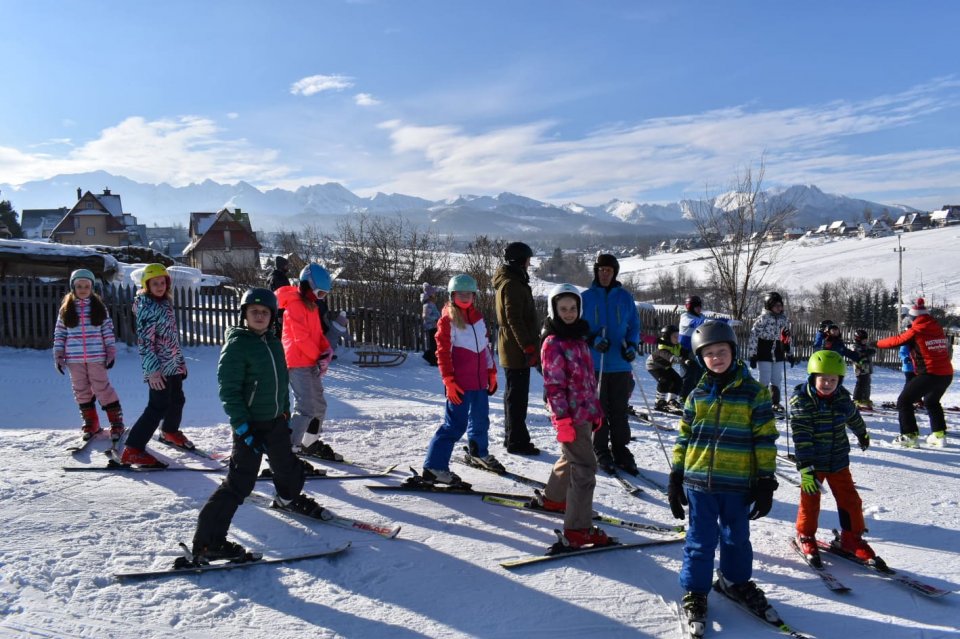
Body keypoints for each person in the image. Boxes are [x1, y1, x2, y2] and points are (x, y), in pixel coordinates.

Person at [191, 288, 326, 563]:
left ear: (272, 316)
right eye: (254, 312)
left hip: (276, 421)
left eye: (265, 312)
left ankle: (288, 499)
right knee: (239, 483)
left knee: (289, 469)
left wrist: (286, 412)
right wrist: (242, 428)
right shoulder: (238, 345)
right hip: (250, 426)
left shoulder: (274, 342)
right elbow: (229, 391)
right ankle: (208, 543)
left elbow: (281, 384)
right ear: (245, 315)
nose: (260, 316)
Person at [669, 320, 779, 627]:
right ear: (700, 358)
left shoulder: (754, 394)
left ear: (734, 351)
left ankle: (735, 581)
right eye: (709, 353)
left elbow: (765, 439)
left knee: (737, 539)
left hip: (737, 484)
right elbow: (683, 438)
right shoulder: (696, 396)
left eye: (722, 351)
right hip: (699, 484)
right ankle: (695, 590)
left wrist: (765, 481)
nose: (716, 358)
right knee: (700, 541)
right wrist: (676, 476)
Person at [536, 283, 610, 548]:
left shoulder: (579, 338)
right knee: (585, 466)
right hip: (569, 414)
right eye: (563, 308)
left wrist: (595, 410)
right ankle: (578, 530)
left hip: (584, 412)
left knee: (572, 456)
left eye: (573, 308)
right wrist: (562, 420)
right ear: (554, 310)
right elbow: (554, 387)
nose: (568, 313)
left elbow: (588, 380)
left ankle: (554, 498)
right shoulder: (553, 343)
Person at [790, 350, 875, 567]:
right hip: (814, 464)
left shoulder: (842, 398)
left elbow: (853, 417)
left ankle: (851, 538)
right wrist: (806, 468)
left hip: (838, 461)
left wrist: (862, 433)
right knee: (810, 502)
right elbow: (802, 436)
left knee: (851, 500)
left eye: (833, 380)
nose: (828, 384)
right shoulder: (802, 400)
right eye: (823, 379)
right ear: (812, 377)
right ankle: (805, 535)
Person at [422, 274, 501, 483]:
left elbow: (485, 348)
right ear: (452, 295)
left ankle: (478, 453)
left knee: (480, 420)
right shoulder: (448, 319)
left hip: (479, 383)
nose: (465, 297)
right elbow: (443, 353)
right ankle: (434, 467)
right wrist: (448, 381)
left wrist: (491, 373)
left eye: (468, 294)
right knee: (455, 425)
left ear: (474, 296)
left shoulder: (478, 317)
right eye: (460, 294)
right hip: (459, 384)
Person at [120, 264, 190, 466]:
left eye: (162, 282)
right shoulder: (147, 307)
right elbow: (145, 343)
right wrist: (152, 372)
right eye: (155, 283)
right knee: (157, 406)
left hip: (172, 363)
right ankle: (133, 448)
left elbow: (171, 338)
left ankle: (169, 431)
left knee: (177, 399)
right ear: (146, 285)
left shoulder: (164, 303)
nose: (159, 286)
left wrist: (180, 362)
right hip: (158, 368)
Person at [581, 253, 641, 475]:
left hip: (620, 364)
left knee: (619, 411)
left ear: (614, 273)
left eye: (608, 270)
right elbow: (579, 327)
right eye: (601, 270)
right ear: (596, 272)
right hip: (596, 364)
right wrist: (593, 340)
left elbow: (634, 325)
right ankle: (600, 449)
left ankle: (620, 449)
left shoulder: (625, 297)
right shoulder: (586, 297)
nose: (604, 274)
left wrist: (632, 346)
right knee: (600, 411)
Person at [276, 263, 340, 460]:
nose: (322, 298)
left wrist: (326, 349)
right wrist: (318, 356)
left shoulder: (310, 306)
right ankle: (287, 450)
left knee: (319, 406)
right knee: (306, 408)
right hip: (297, 363)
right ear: (308, 285)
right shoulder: (294, 305)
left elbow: (317, 334)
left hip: (310, 362)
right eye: (320, 293)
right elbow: (300, 338)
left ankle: (309, 443)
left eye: (324, 295)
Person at [53, 269, 125, 441]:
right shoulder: (66, 309)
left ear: (92, 288)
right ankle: (91, 422)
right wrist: (58, 354)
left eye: (87, 286)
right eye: (79, 286)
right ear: (73, 287)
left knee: (102, 388)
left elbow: (107, 331)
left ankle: (116, 423)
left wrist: (111, 351)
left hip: (96, 357)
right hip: (74, 359)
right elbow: (60, 333)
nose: (83, 289)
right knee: (81, 390)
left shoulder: (99, 308)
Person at [874, 298, 954, 448]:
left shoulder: (917, 329)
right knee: (931, 401)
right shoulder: (936, 327)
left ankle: (909, 435)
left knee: (904, 401)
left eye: (910, 318)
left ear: (914, 317)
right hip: (946, 374)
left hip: (930, 373)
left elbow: (896, 341)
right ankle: (939, 435)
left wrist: (876, 343)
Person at [493, 241, 541, 455]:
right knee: (517, 397)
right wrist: (528, 347)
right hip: (515, 348)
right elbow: (514, 319)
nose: (529, 264)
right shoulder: (512, 284)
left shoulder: (511, 280)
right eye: (528, 260)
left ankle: (512, 437)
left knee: (514, 395)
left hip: (513, 346)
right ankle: (517, 441)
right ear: (521, 260)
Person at [746, 291, 793, 412]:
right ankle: (761, 402)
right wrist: (753, 355)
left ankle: (775, 402)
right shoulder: (763, 318)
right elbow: (754, 335)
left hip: (778, 352)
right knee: (764, 378)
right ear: (769, 306)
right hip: (764, 352)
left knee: (777, 379)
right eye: (776, 305)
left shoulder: (784, 319)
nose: (779, 308)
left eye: (780, 305)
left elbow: (787, 337)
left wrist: (789, 353)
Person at [645, 324, 693, 411]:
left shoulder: (677, 345)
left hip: (665, 367)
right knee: (665, 380)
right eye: (675, 336)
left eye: (678, 336)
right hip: (653, 365)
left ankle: (671, 400)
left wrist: (689, 358)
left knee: (678, 380)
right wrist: (683, 360)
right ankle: (659, 402)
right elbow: (672, 358)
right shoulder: (662, 349)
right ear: (667, 337)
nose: (677, 338)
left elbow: (684, 353)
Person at [678, 295, 706, 401]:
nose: (699, 308)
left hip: (697, 349)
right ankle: (682, 397)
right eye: (696, 306)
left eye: (700, 306)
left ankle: (695, 397)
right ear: (690, 307)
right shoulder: (685, 317)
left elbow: (708, 320)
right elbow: (694, 323)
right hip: (685, 350)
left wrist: (726, 322)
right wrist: (707, 322)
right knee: (688, 374)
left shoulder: (701, 317)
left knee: (700, 373)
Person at [851, 329, 876, 410]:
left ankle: (865, 398)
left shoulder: (866, 346)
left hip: (867, 368)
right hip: (859, 368)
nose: (865, 341)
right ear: (858, 339)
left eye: (866, 339)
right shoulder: (855, 346)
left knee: (867, 383)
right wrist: (865, 352)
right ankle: (856, 399)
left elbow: (872, 351)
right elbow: (858, 353)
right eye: (863, 340)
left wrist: (869, 351)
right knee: (860, 383)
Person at [421, 283, 441, 366]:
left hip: (434, 326)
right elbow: (426, 316)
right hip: (431, 327)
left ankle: (429, 357)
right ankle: (432, 360)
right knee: (433, 344)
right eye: (433, 293)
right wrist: (436, 318)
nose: (435, 295)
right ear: (430, 295)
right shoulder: (427, 304)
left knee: (435, 343)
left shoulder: (431, 303)